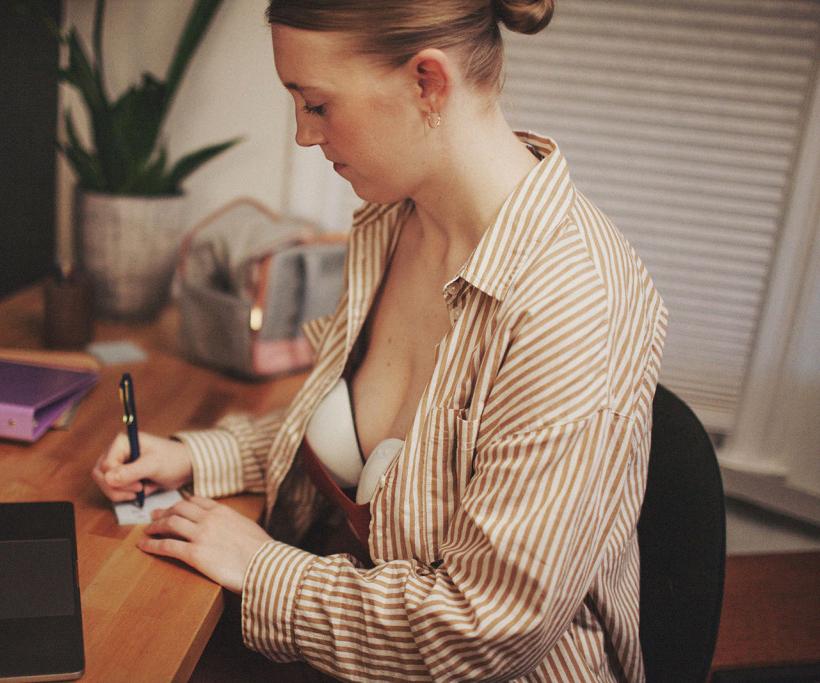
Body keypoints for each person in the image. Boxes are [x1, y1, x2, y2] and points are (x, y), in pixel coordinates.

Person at [92, 0, 667, 680]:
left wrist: (262, 566)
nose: (305, 136)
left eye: (317, 104)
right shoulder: (393, 221)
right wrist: (196, 453)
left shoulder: (577, 306)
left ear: (427, 82)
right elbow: (360, 436)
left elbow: (487, 630)